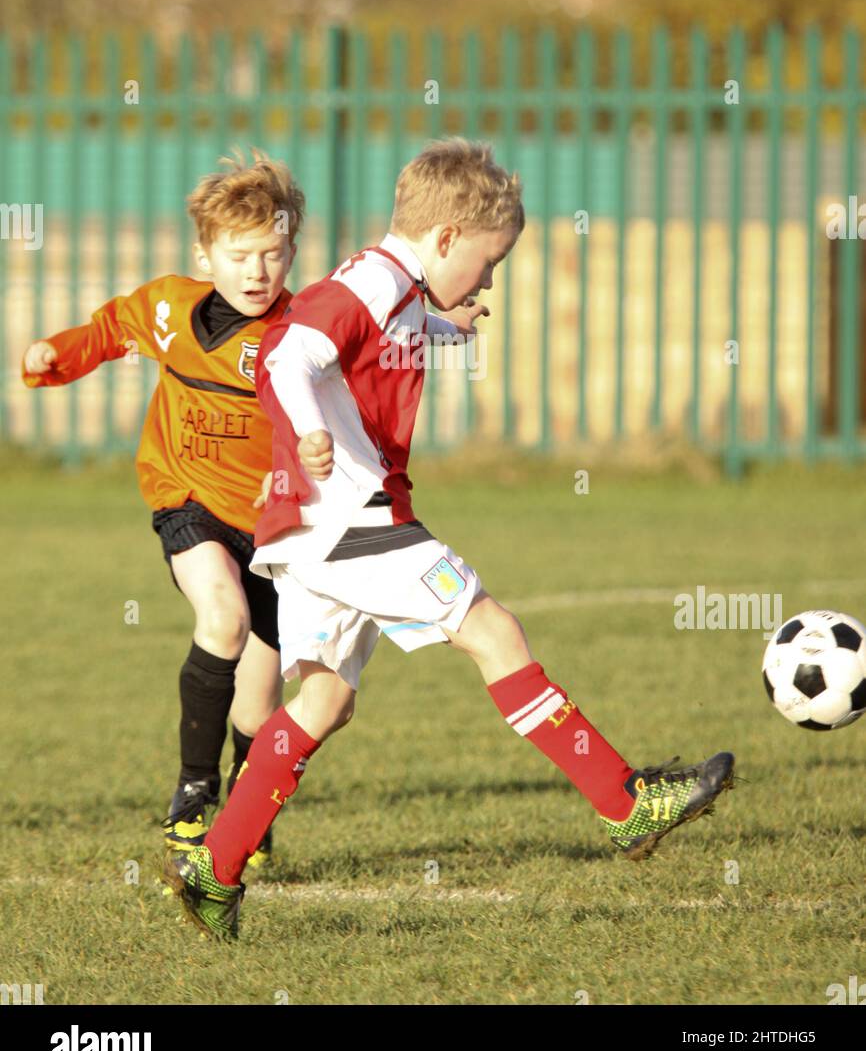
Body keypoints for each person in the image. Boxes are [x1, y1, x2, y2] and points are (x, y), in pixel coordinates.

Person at [164, 136, 736, 940]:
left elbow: (370, 337)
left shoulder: (394, 286)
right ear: (443, 240)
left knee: (326, 699)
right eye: (488, 262)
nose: (492, 278)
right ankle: (627, 804)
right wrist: (309, 434)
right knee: (494, 631)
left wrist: (443, 325)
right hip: (350, 516)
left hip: (311, 526)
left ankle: (216, 870)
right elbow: (290, 354)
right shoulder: (370, 280)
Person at [22, 149, 306, 865]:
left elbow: (377, 349)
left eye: (272, 254)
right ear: (205, 254)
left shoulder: (304, 331)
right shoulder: (169, 307)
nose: (257, 271)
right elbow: (112, 329)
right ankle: (192, 792)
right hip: (188, 501)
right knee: (223, 617)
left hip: (277, 531)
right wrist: (55, 356)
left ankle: (247, 808)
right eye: (239, 255)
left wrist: (445, 318)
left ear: (292, 251)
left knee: (257, 705)